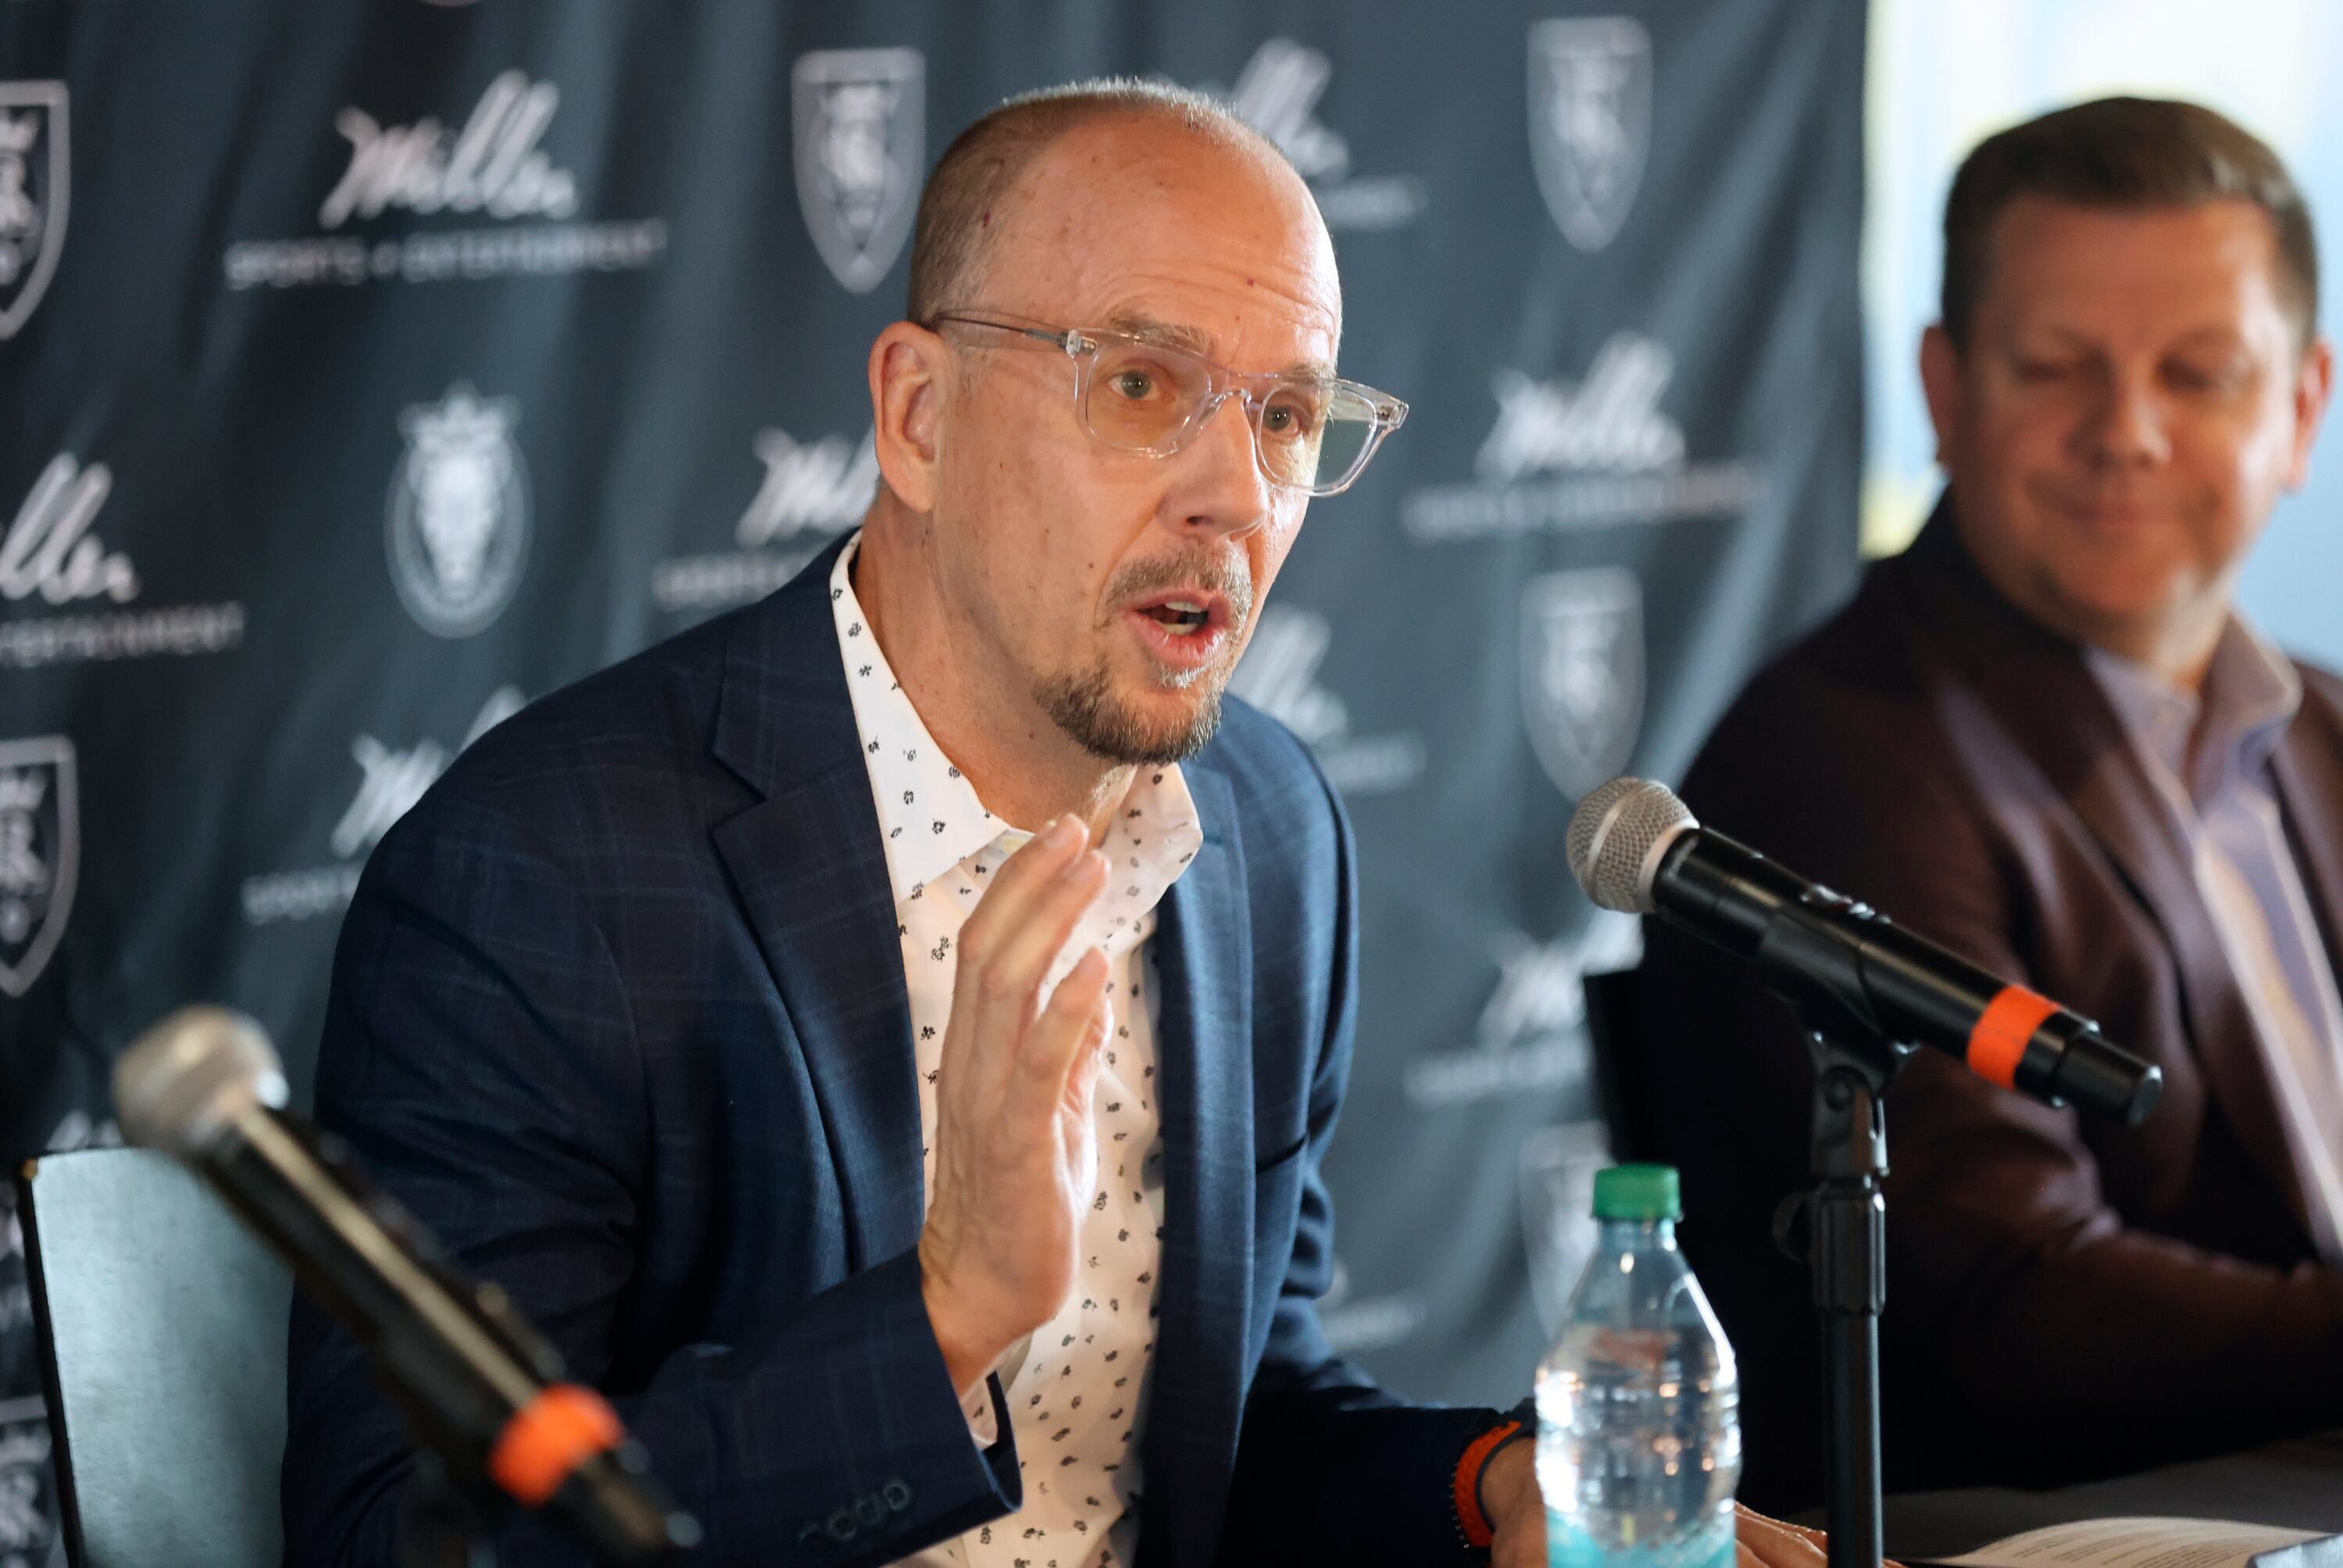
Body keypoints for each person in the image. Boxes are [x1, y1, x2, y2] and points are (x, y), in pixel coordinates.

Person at [282, 80, 1824, 1568]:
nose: (1236, 496)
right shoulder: (544, 868)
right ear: (919, 416)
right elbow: (408, 1534)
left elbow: (1240, 1427)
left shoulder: (1271, 833)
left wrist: (1492, 1488)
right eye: (1140, 385)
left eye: (1288, 416)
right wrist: (944, 1317)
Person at [1636, 95, 2343, 1513]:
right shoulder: (1834, 755)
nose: (2127, 433)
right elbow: (2015, 1311)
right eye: (2058, 368)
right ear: (1946, 394)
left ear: (2301, 409)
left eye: (2199, 373)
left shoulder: (2325, 728)